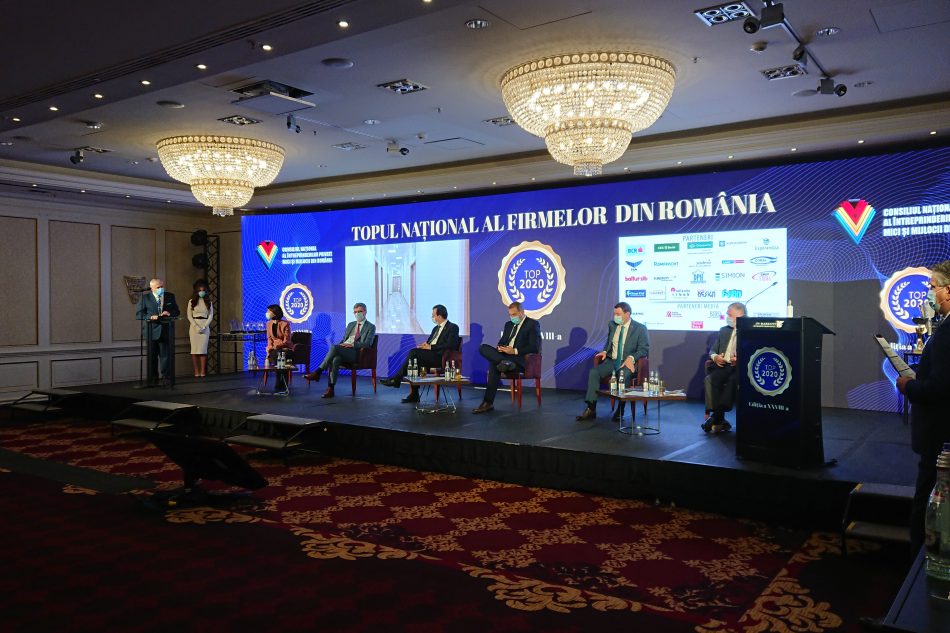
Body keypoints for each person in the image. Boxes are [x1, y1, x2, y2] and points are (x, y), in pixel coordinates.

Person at [897, 260, 950, 557]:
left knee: (927, 503)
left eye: (932, 287)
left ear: (948, 291)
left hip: (939, 439)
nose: (928, 294)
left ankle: (918, 566)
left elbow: (939, 389)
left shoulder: (946, 333)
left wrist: (909, 386)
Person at [576, 302, 649, 421]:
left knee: (623, 374)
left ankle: (620, 410)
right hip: (612, 361)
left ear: (627, 314)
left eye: (618, 314)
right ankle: (591, 408)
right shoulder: (612, 325)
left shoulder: (640, 328)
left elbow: (644, 349)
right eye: (614, 314)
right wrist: (605, 351)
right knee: (594, 372)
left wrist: (631, 358)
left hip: (626, 362)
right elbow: (609, 342)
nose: (615, 316)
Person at [381, 305, 461, 403]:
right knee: (414, 361)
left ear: (439, 316)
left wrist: (431, 347)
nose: (432, 317)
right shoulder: (435, 329)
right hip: (431, 355)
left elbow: (450, 345)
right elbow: (430, 342)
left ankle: (396, 379)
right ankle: (414, 395)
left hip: (442, 357)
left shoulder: (453, 327)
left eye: (433, 315)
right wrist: (424, 345)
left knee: (413, 353)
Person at [472, 302, 539, 414]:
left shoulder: (532, 324)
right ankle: (504, 362)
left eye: (514, 314)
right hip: (505, 357)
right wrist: (501, 348)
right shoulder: (508, 325)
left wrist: (514, 351)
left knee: (494, 365)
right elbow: (502, 341)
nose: (512, 317)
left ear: (522, 312)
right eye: (510, 315)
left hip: (518, 360)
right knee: (483, 347)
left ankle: (487, 403)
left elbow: (534, 347)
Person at [304, 302, 376, 399]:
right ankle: (331, 388)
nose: (357, 314)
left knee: (334, 348)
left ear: (365, 312)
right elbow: (344, 340)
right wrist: (342, 345)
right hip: (345, 350)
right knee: (335, 359)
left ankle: (318, 372)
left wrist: (352, 345)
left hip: (357, 353)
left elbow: (367, 344)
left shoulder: (370, 327)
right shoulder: (351, 325)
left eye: (359, 311)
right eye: (355, 312)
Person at [703, 301, 746, 433]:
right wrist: (716, 357)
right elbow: (712, 350)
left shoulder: (749, 331)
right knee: (710, 379)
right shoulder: (724, 330)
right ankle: (719, 419)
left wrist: (740, 359)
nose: (727, 317)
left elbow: (753, 353)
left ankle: (716, 417)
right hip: (724, 366)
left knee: (733, 380)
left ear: (740, 316)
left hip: (740, 368)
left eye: (730, 315)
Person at [135, 278, 180, 385]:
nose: (161, 289)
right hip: (151, 331)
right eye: (158, 287)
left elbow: (177, 311)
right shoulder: (145, 298)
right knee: (152, 357)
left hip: (165, 330)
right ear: (152, 288)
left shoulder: (170, 296)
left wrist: (169, 313)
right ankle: (153, 379)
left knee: (166, 357)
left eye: (162, 286)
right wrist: (150, 317)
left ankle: (166, 378)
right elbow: (139, 314)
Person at [264, 304, 294, 394]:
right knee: (277, 355)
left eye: (268, 311)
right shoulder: (268, 324)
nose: (267, 313)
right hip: (274, 350)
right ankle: (282, 382)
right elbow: (269, 339)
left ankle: (281, 382)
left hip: (285, 348)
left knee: (281, 355)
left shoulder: (285, 324)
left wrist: (276, 346)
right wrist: (269, 348)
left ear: (274, 313)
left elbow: (286, 340)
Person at [186, 280, 213, 377]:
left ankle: (202, 371)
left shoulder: (209, 302)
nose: (202, 292)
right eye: (200, 290)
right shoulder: (191, 302)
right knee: (194, 350)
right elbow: (189, 316)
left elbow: (211, 316)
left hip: (205, 326)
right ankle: (196, 371)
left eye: (203, 290)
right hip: (194, 326)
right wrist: (196, 326)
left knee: (203, 349)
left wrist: (205, 326)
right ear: (196, 291)